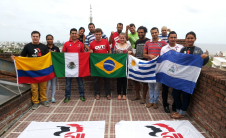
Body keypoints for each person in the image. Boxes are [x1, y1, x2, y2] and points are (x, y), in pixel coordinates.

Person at [171, 31, 209, 119]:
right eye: (188, 38)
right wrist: (175, 54)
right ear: (185, 39)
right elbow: (180, 61)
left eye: (192, 38)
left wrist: (205, 57)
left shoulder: (198, 50)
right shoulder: (182, 49)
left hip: (190, 77)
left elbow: (202, 63)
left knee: (185, 95)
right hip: (181, 76)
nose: (190, 40)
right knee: (175, 94)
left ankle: (182, 113)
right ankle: (178, 110)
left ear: (195, 39)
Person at [11, 31, 49, 110]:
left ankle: (44, 100)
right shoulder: (27, 46)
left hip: (42, 71)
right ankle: (35, 102)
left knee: (43, 87)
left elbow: (48, 58)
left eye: (37, 36)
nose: (35, 38)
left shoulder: (44, 47)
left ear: (39, 37)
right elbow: (22, 56)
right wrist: (15, 59)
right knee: (34, 88)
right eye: (34, 36)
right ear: (31, 37)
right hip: (32, 72)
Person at [143, 27, 167, 109]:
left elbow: (166, 54)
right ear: (151, 34)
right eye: (152, 33)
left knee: (157, 85)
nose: (154, 34)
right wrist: (149, 55)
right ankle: (151, 101)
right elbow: (144, 55)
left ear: (158, 32)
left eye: (155, 32)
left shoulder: (163, 43)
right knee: (150, 85)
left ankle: (155, 101)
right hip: (150, 66)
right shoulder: (147, 43)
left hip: (159, 67)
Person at [160, 31, 183, 113]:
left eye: (174, 37)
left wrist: (175, 54)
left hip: (177, 72)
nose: (173, 39)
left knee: (176, 90)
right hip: (166, 72)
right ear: (168, 38)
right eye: (171, 37)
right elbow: (162, 60)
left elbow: (183, 59)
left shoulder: (181, 48)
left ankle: (174, 105)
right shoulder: (164, 49)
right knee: (165, 90)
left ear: (176, 38)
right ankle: (165, 105)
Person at [62, 28, 86, 103]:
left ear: (77, 34)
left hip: (78, 67)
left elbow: (83, 54)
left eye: (75, 33)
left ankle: (82, 95)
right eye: (72, 33)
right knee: (68, 83)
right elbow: (62, 54)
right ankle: (67, 96)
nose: (74, 35)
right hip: (69, 67)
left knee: (80, 82)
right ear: (70, 34)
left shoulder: (80, 43)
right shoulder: (66, 43)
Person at [89, 28, 112, 100]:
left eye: (99, 34)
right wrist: (91, 52)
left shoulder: (105, 42)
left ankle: (108, 94)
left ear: (101, 34)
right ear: (94, 35)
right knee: (96, 80)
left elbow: (109, 51)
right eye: (97, 34)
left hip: (105, 64)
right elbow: (90, 53)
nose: (98, 36)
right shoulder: (92, 43)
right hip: (96, 65)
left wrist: (110, 59)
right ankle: (97, 93)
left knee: (107, 80)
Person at [131, 26, 150, 104]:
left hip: (145, 63)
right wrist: (131, 55)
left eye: (142, 32)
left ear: (145, 33)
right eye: (139, 32)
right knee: (135, 80)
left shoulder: (148, 41)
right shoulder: (137, 42)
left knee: (145, 81)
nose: (140, 34)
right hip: (137, 63)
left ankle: (144, 97)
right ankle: (137, 95)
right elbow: (135, 53)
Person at [113, 32, 133, 100]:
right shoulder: (116, 46)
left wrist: (130, 52)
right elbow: (114, 56)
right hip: (118, 66)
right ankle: (119, 93)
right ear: (119, 38)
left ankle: (124, 94)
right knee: (118, 80)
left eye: (123, 38)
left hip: (126, 65)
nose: (122, 39)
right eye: (120, 38)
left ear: (125, 38)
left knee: (124, 80)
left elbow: (132, 54)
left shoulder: (128, 46)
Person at [46, 34, 60, 103]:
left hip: (54, 68)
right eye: (48, 39)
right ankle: (46, 97)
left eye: (51, 39)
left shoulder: (56, 48)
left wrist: (53, 53)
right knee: (48, 84)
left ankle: (52, 97)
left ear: (53, 39)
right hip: (47, 68)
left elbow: (59, 57)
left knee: (54, 83)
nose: (49, 40)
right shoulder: (44, 48)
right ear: (46, 40)